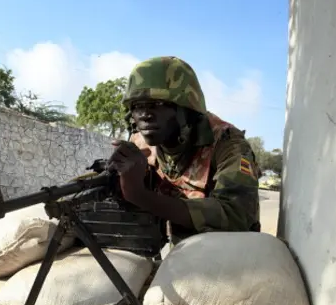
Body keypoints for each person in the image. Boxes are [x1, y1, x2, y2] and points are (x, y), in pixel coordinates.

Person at [108, 56, 261, 245]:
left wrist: (140, 195)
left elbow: (236, 214)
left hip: (227, 254)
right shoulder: (140, 143)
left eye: (157, 104)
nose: (145, 115)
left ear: (185, 108)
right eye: (137, 106)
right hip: (178, 251)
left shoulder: (226, 143)